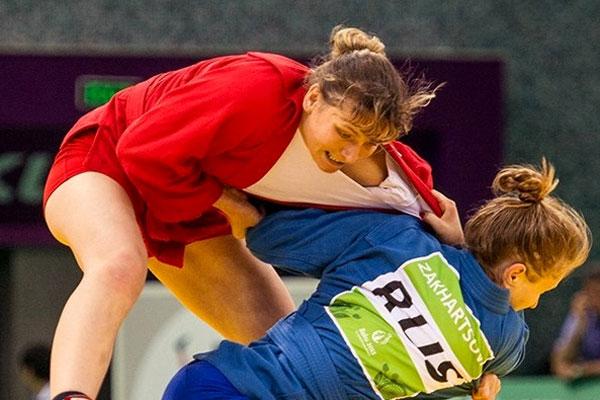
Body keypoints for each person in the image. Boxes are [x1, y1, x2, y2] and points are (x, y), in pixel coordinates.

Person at [42, 26, 452, 400]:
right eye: (344, 133)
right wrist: (228, 203)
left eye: (367, 144)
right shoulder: (256, 86)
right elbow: (139, 152)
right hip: (107, 161)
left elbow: (453, 250)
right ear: (312, 97)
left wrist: (474, 365)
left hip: (191, 207)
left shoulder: (385, 174)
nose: (349, 152)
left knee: (292, 356)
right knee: (120, 265)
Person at [163, 160, 591, 400]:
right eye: (543, 289)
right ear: (516, 273)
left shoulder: (398, 236)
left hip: (214, 383)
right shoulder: (505, 344)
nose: (536, 303)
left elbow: (268, 236)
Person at [551, 267, 600, 380]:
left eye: (598, 293)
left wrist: (585, 369)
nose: (593, 299)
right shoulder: (582, 315)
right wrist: (578, 321)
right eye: (589, 293)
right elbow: (559, 364)